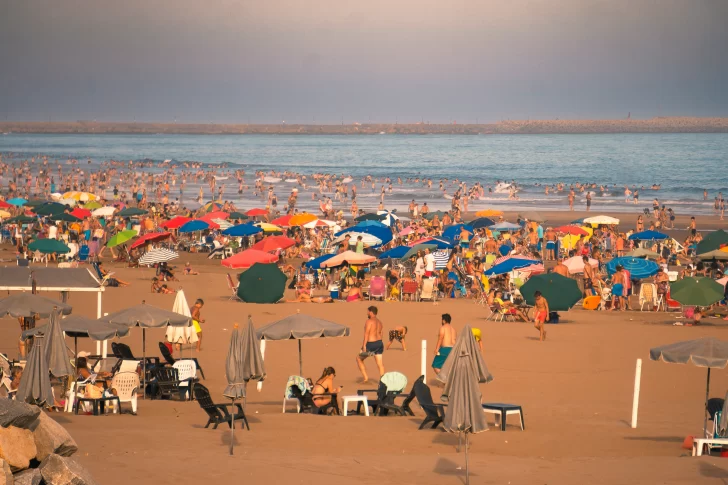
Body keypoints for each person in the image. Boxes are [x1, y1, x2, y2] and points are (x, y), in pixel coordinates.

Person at [355, 306, 384, 383]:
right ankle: (383, 380)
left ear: (371, 312)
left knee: (359, 358)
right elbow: (381, 334)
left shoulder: (369, 321)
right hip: (379, 343)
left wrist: (364, 345)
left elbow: (366, 334)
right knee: (380, 364)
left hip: (371, 344)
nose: (367, 313)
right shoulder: (380, 322)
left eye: (367, 311)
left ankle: (365, 378)